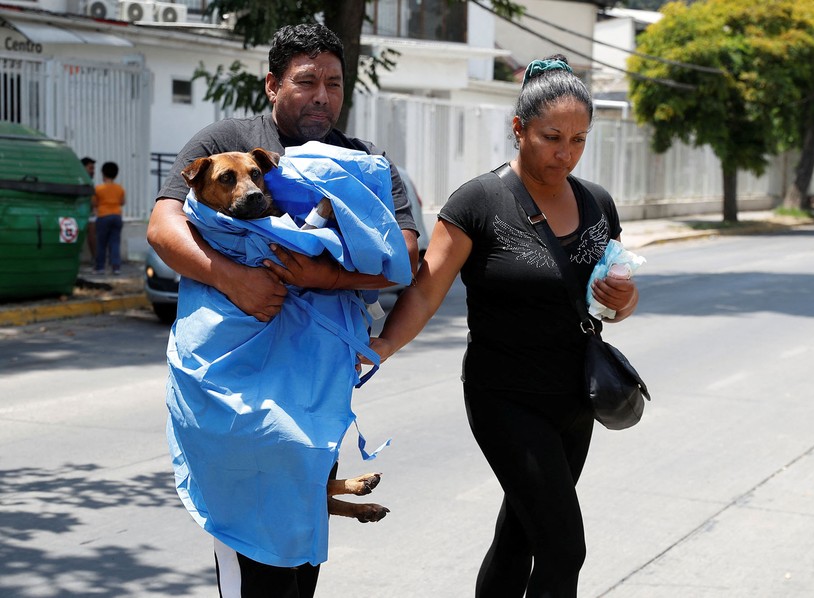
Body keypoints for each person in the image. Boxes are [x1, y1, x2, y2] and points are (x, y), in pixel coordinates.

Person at [147, 23, 418, 598]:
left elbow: (404, 253)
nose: (323, 95)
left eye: (335, 83)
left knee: (299, 558)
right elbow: (163, 225)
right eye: (306, 81)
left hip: (315, 396)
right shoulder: (224, 140)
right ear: (273, 84)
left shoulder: (363, 162)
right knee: (252, 551)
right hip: (236, 391)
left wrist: (324, 275)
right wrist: (233, 278)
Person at [368, 56, 639, 597]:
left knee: (521, 535)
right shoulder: (478, 203)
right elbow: (426, 289)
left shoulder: (598, 204)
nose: (565, 153)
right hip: (506, 398)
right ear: (519, 129)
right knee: (564, 548)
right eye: (552, 137)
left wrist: (624, 300)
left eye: (579, 140)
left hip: (575, 398)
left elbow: (607, 301)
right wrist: (384, 345)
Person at [92, 161, 125, 275]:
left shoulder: (98, 189)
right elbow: (122, 202)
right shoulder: (119, 188)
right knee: (115, 242)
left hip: (103, 216)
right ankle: (116, 267)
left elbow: (94, 203)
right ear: (115, 174)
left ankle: (100, 267)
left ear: (103, 174)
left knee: (101, 243)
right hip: (116, 216)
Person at [80, 156, 97, 262]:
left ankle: (95, 259)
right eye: (90, 168)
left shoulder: (89, 182)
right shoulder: (80, 181)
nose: (93, 171)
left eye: (93, 168)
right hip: (80, 213)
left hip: (89, 214)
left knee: (92, 236)